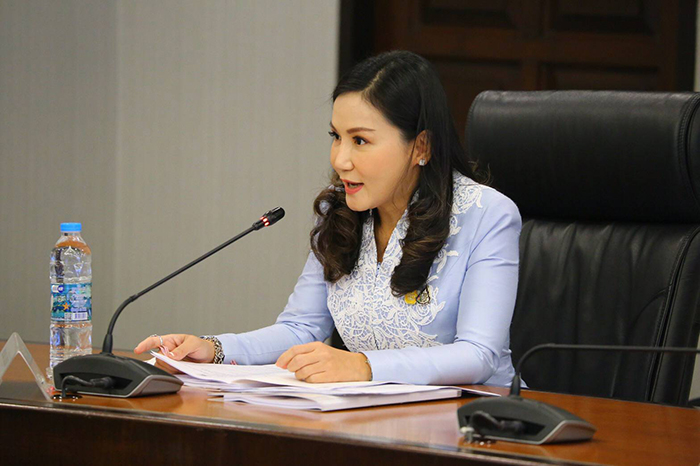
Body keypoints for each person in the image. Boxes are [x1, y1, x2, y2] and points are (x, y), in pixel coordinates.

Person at [135, 50, 521, 386]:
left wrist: (363, 366)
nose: (340, 160)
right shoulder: (341, 213)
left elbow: (478, 354)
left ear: (421, 146)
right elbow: (301, 329)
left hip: (479, 422)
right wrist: (214, 349)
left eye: (360, 140)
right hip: (375, 417)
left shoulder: (486, 215)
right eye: (336, 136)